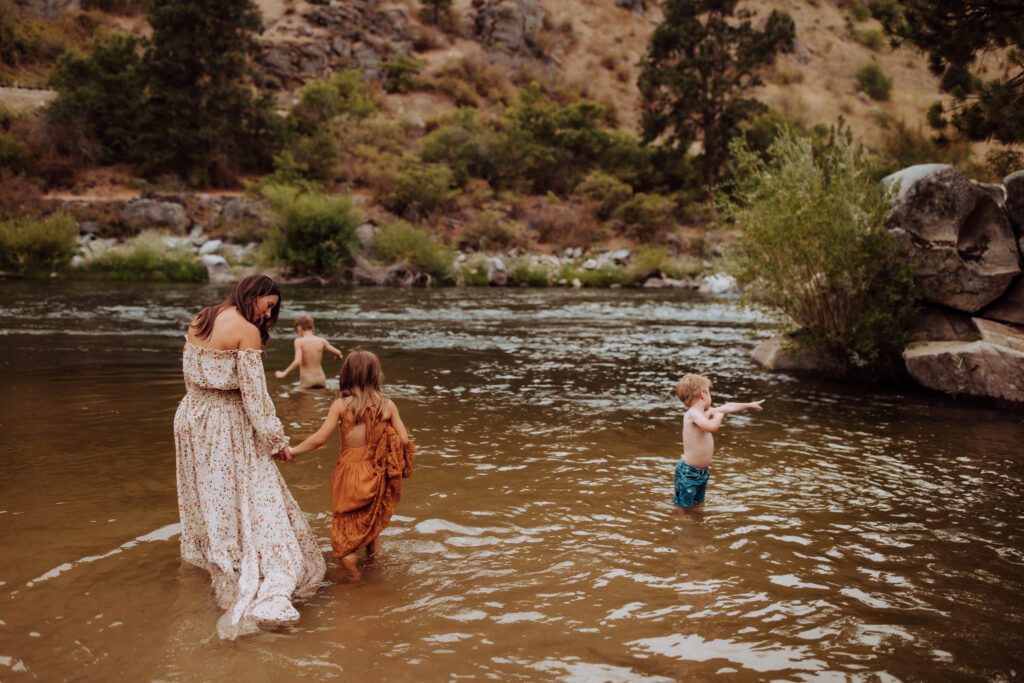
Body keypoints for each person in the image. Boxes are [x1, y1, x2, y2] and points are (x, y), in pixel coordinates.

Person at [173, 275, 326, 639]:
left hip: (192, 417)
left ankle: (220, 556)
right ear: (251, 295)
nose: (268, 313)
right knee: (255, 495)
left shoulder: (202, 317)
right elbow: (256, 399)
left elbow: (189, 373)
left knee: (213, 497)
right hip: (227, 424)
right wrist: (276, 442)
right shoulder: (246, 332)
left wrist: (198, 412)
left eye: (272, 308)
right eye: (267, 304)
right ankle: (256, 577)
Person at [284, 350, 416, 580]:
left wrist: (293, 451)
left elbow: (320, 438)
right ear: (376, 374)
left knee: (346, 532)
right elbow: (404, 440)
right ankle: (375, 578)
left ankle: (353, 577)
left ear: (347, 374)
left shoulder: (341, 405)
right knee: (372, 529)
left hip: (348, 473)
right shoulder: (388, 405)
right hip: (376, 472)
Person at [674, 374, 764, 508]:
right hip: (689, 472)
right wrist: (719, 416)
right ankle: (682, 524)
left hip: (701, 472)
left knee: (698, 504)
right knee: (683, 507)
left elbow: (728, 407)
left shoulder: (707, 412)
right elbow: (711, 427)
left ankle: (695, 522)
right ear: (703, 394)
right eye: (709, 393)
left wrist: (749, 405)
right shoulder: (692, 414)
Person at [274, 315, 343, 389]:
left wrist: (284, 373)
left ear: (299, 328)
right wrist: (338, 357)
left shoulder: (299, 341)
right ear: (313, 327)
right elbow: (338, 353)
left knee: (306, 399)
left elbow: (298, 362)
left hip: (307, 379)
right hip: (321, 378)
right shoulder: (321, 341)